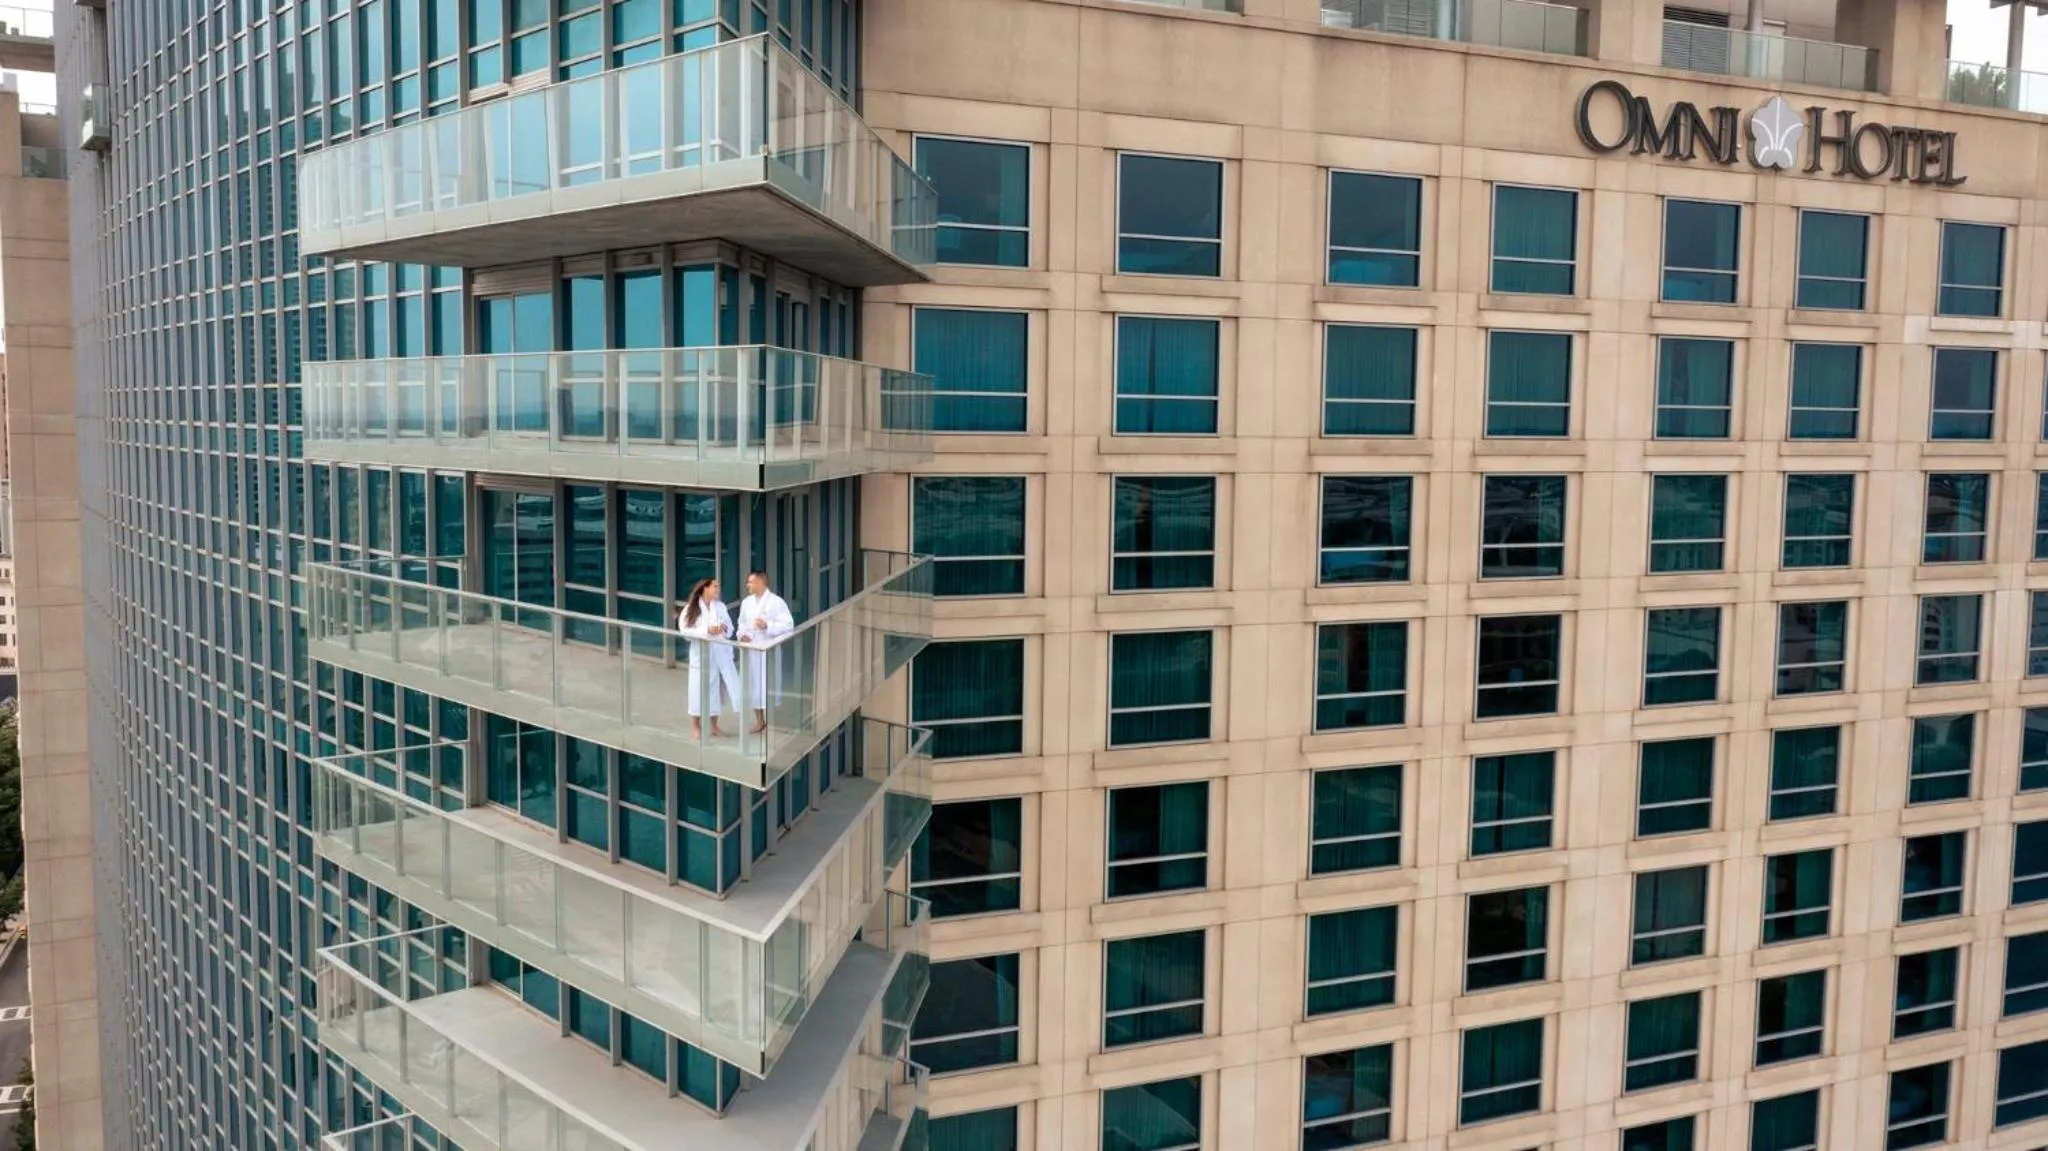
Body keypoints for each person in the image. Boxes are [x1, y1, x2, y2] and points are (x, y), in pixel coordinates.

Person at [676, 577, 740, 738]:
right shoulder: (691, 608)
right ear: (704, 588)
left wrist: (723, 628)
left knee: (715, 691)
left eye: (718, 587)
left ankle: (714, 726)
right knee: (697, 690)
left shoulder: (720, 607)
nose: (718, 590)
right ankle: (696, 726)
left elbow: (730, 629)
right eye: (715, 587)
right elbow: (684, 630)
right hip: (701, 654)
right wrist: (707, 630)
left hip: (719, 654)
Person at [735, 569, 794, 734]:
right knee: (754, 686)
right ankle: (759, 721)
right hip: (751, 650)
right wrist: (742, 635)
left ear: (761, 582)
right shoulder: (746, 602)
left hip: (769, 650)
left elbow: (789, 625)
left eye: (751, 582)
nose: (748, 585)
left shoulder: (776, 602)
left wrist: (768, 626)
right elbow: (741, 624)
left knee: (768, 685)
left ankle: (771, 724)